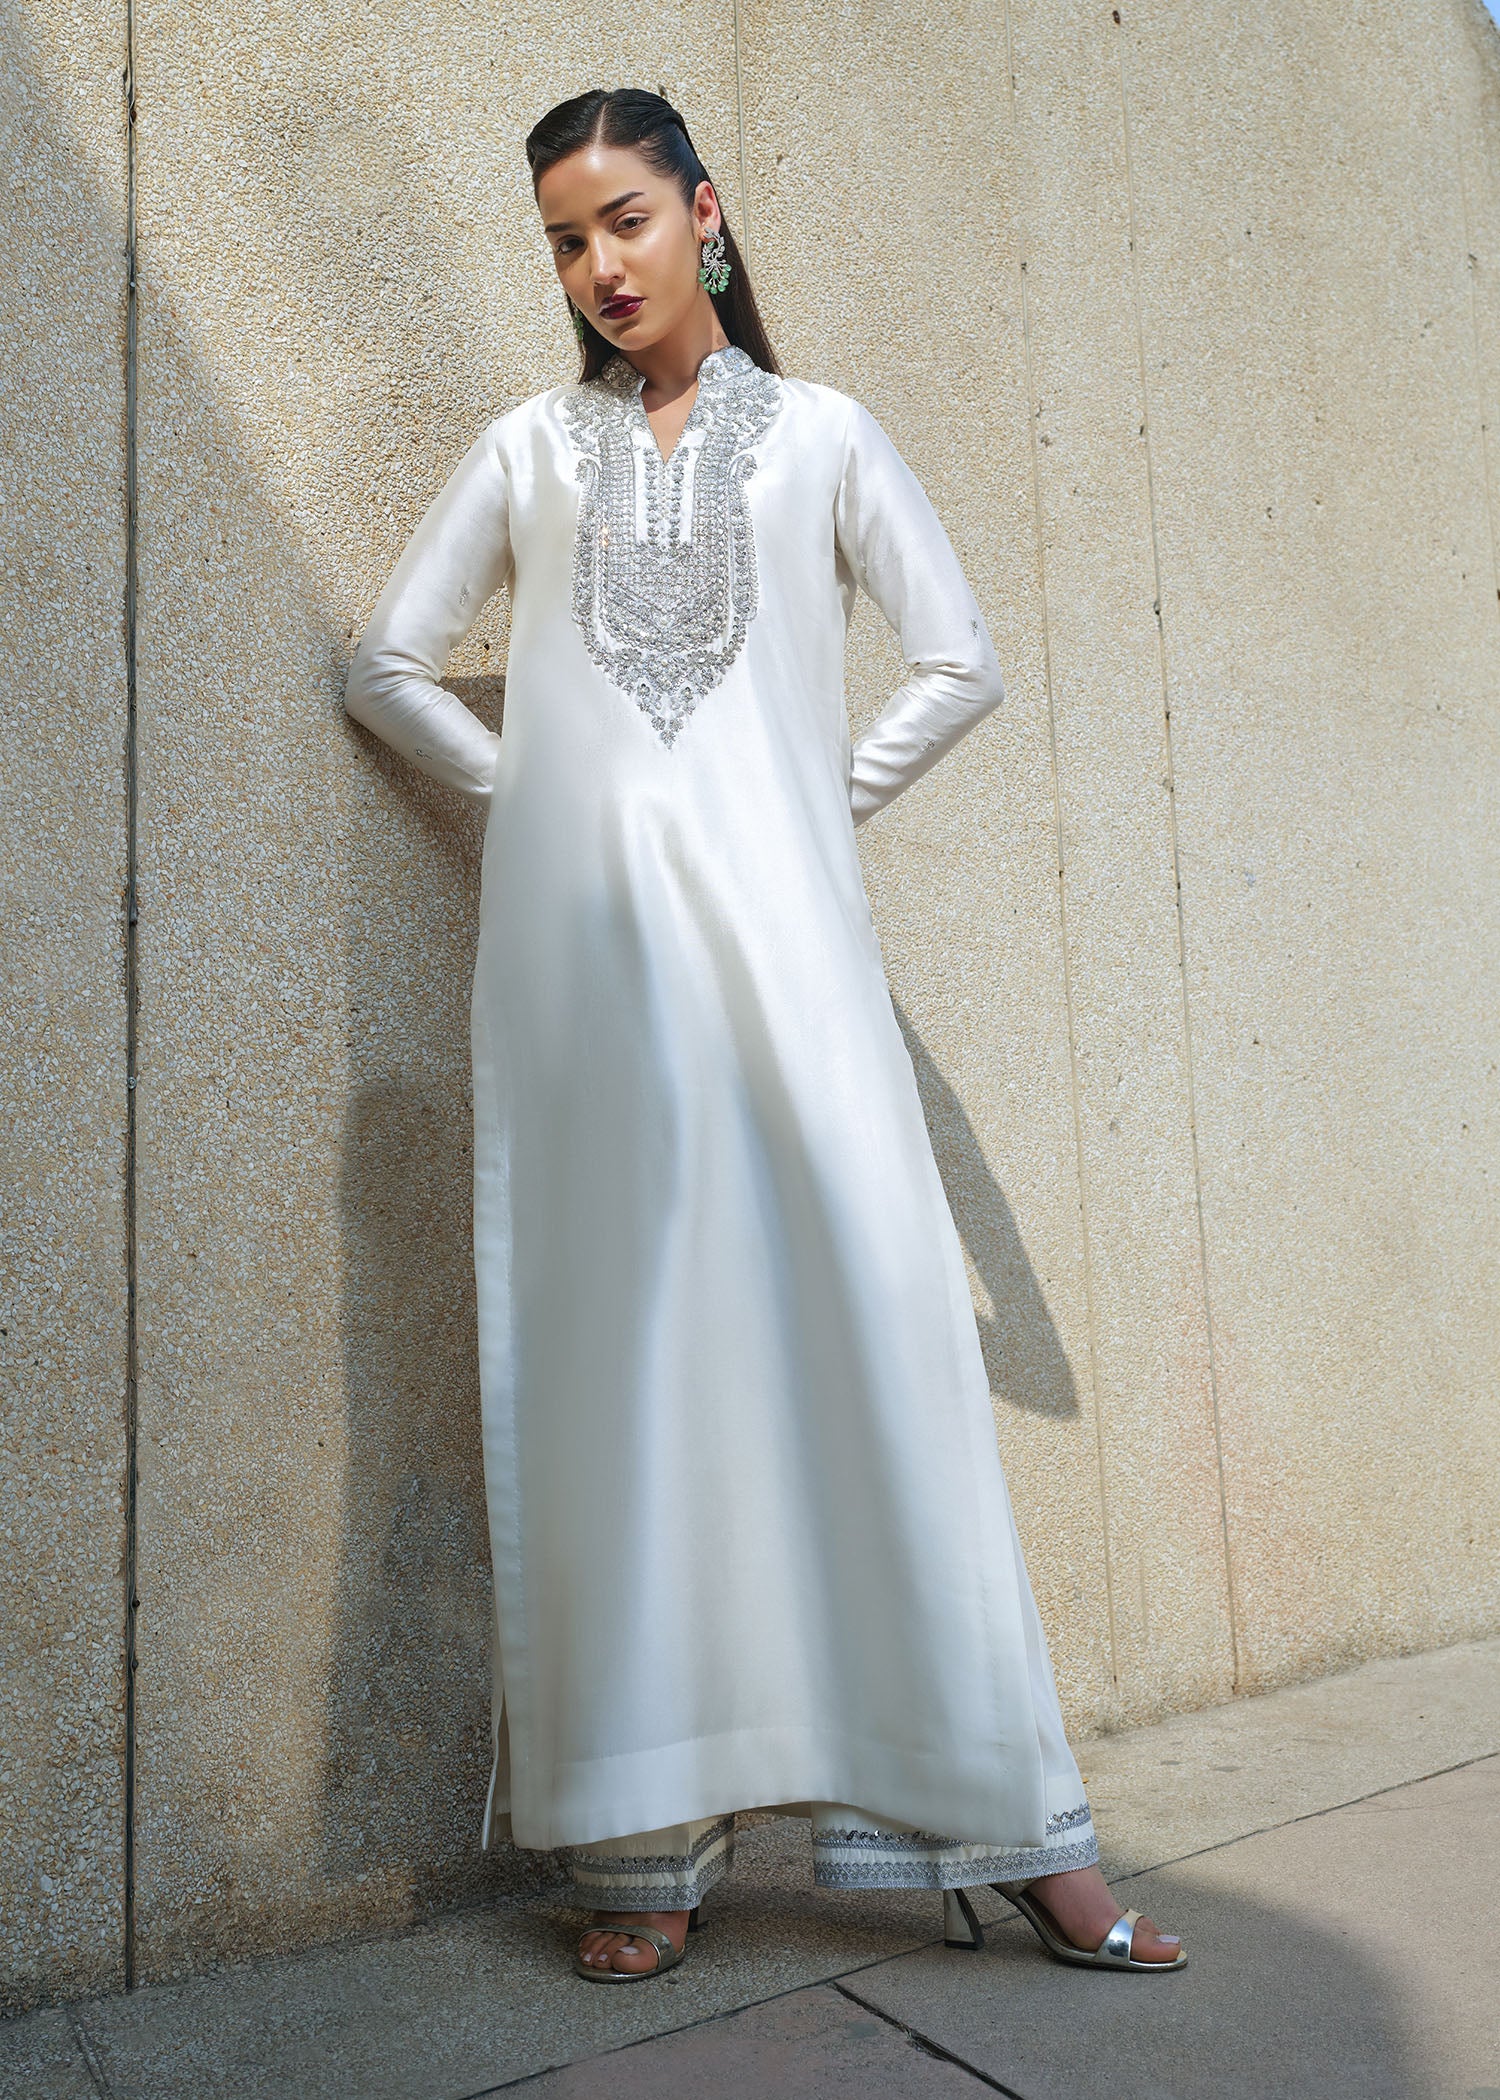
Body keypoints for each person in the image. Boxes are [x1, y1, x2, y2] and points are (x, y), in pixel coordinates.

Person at [344, 86, 1186, 1983]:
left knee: (878, 1354)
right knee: (627, 1381)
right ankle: (645, 1848)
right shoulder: (531, 451)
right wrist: (546, 808)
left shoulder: (820, 437)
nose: (599, 264)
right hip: (593, 994)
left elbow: (959, 661)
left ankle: (1019, 1828)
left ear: (705, 214)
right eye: (566, 238)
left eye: (626, 220)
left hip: (791, 973)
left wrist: (810, 805)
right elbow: (384, 664)